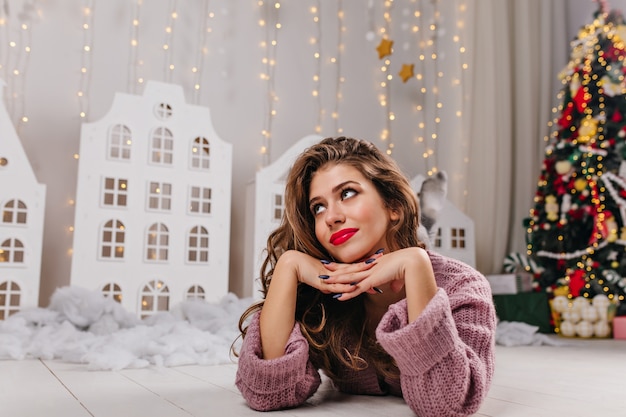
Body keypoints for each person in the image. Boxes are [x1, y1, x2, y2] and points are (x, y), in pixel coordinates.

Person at [234, 136, 496, 416]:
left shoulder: (464, 287)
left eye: (347, 193)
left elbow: (445, 403)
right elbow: (267, 394)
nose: (330, 217)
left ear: (393, 206)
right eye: (318, 207)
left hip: (413, 244)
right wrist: (288, 266)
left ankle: (426, 216)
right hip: (389, 237)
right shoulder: (319, 296)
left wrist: (416, 263)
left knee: (417, 242)